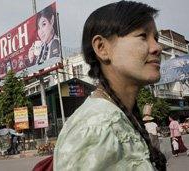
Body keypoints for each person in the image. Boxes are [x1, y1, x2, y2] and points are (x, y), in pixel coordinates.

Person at [53, 1, 166, 170]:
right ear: (102, 48)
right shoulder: (97, 128)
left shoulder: (118, 116)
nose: (157, 47)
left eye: (155, 38)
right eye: (143, 36)